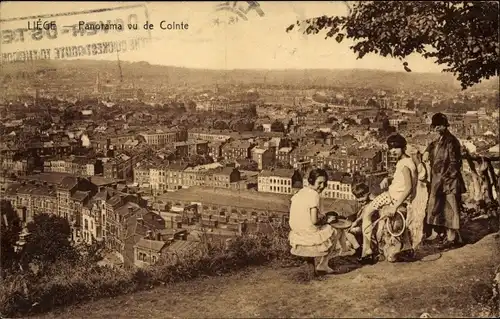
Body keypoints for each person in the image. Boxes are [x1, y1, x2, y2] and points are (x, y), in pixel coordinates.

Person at [357, 133, 417, 263]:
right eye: (390, 148)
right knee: (369, 213)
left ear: (404, 147)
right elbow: (402, 181)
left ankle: (367, 250)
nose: (392, 151)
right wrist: (388, 178)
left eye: (396, 148)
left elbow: (408, 187)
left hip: (392, 198)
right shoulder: (405, 161)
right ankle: (372, 249)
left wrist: (395, 206)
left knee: (367, 214)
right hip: (393, 196)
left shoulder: (404, 165)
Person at [288, 168, 350, 274]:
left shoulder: (301, 192)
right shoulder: (314, 195)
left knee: (330, 227)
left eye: (324, 183)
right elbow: (314, 221)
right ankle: (324, 264)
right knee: (337, 230)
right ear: (311, 181)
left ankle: (344, 251)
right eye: (319, 183)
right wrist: (327, 220)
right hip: (308, 233)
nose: (322, 186)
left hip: (296, 231)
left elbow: (304, 214)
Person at [423, 113, 466, 248]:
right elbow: (433, 145)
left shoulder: (451, 141)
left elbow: (455, 163)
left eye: (439, 126)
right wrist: (426, 150)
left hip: (449, 182)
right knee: (441, 209)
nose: (436, 128)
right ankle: (449, 236)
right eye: (435, 126)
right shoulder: (440, 139)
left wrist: (445, 178)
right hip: (440, 181)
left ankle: (453, 238)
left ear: (444, 126)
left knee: (451, 210)